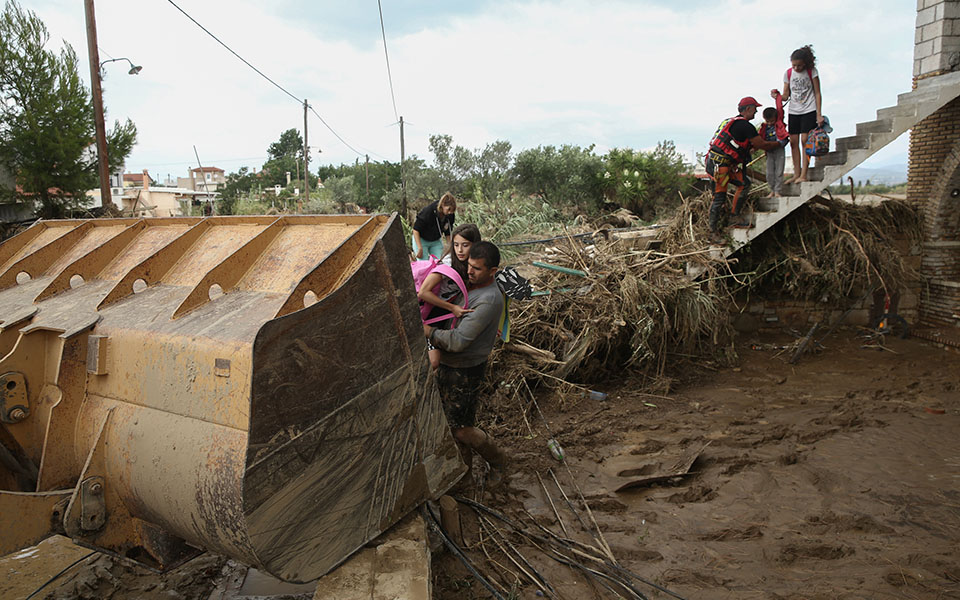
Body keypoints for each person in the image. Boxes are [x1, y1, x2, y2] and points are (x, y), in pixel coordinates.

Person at [423, 241, 508, 486]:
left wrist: (427, 331)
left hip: (465, 371)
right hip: (450, 364)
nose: (469, 271)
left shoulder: (488, 299)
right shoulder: (470, 284)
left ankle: (499, 461)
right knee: (451, 425)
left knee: (462, 429)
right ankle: (463, 475)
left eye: (477, 269)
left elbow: (458, 341)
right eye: (469, 265)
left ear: (492, 271)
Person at [706, 97, 783, 236]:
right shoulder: (745, 126)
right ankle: (712, 233)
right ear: (748, 109)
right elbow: (762, 145)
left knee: (744, 184)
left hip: (716, 162)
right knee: (719, 198)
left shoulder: (729, 121)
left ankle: (734, 217)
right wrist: (780, 143)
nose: (756, 111)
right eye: (755, 108)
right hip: (720, 166)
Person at [418, 223, 482, 370]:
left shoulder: (471, 263)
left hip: (444, 314)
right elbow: (423, 292)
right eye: (456, 244)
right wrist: (452, 308)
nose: (460, 250)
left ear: (475, 245)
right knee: (434, 361)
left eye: (465, 245)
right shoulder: (448, 264)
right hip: (431, 313)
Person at [771, 45, 823, 184]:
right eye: (793, 65)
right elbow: (786, 95)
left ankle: (804, 174)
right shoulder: (788, 74)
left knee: (805, 140)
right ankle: (797, 173)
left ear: (805, 63)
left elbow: (818, 93)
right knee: (793, 142)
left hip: (809, 109)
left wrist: (819, 114)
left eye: (799, 65)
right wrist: (777, 96)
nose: (796, 68)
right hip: (794, 110)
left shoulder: (812, 72)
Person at [412, 193, 456, 261]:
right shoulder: (428, 212)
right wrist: (420, 248)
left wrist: (450, 247)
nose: (450, 212)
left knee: (439, 261)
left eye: (452, 210)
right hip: (421, 239)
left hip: (435, 240)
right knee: (424, 263)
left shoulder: (450, 215)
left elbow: (448, 232)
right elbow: (415, 230)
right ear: (443, 205)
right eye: (448, 209)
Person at [758, 106, 789, 197]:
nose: (770, 123)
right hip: (769, 151)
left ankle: (777, 191)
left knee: (779, 171)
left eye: (772, 121)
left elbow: (784, 139)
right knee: (769, 173)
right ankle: (772, 190)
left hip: (779, 150)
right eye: (767, 121)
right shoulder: (764, 128)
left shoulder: (779, 126)